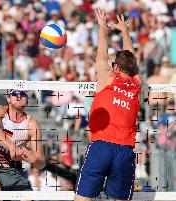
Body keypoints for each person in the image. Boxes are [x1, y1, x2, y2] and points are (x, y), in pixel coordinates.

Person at [74, 8, 142, 201]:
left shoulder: (107, 78)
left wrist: (102, 27)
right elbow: (131, 56)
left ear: (116, 67)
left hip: (101, 147)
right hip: (125, 151)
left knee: (82, 199)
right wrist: (125, 32)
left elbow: (101, 53)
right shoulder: (137, 83)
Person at [0, 89, 45, 192]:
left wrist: (32, 158)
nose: (19, 96)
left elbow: (41, 162)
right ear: (8, 98)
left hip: (11, 172)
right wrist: (13, 148)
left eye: (23, 94)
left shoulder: (32, 125)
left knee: (27, 197)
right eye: (15, 93)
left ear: (28, 100)